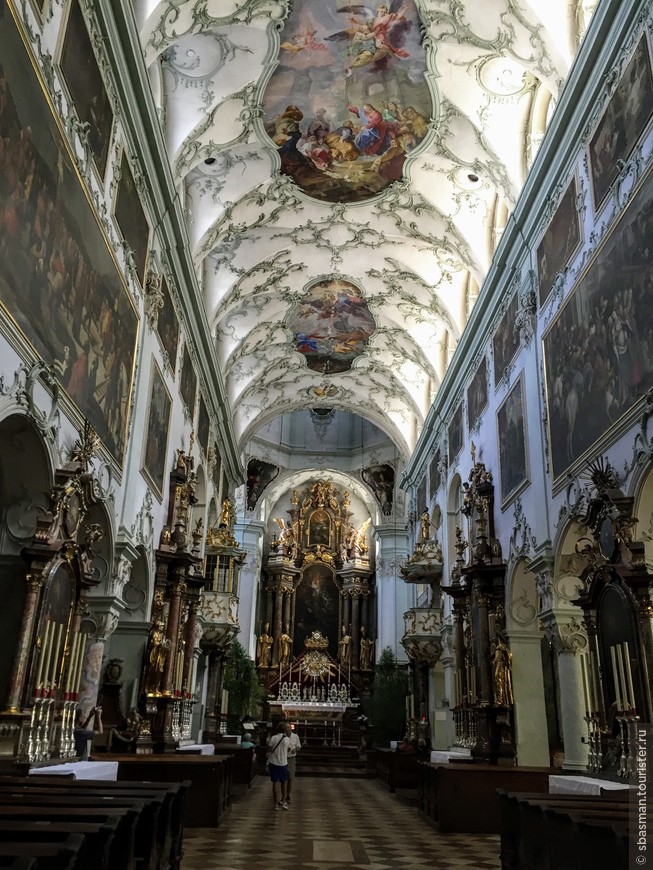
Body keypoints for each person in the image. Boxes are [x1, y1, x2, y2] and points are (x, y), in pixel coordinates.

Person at [266, 721, 291, 810]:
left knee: (275, 783)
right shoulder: (286, 739)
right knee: (283, 783)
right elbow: (289, 749)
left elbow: (269, 749)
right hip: (283, 763)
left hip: (273, 762)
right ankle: (283, 802)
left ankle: (276, 804)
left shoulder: (273, 738)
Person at [285, 723, 302, 804]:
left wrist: (295, 749)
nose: (288, 729)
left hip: (291, 759)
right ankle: (282, 795)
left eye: (289, 727)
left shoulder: (295, 736)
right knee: (282, 779)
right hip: (283, 758)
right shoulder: (282, 737)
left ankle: (288, 794)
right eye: (286, 728)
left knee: (290, 778)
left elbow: (299, 746)